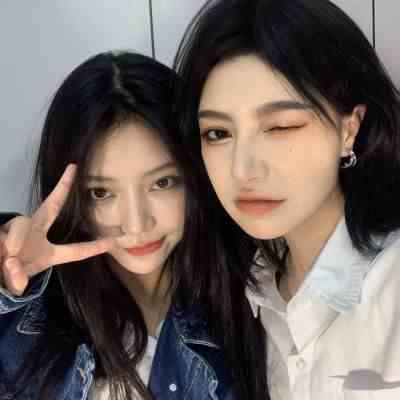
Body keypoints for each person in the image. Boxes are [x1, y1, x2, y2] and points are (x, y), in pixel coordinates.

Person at [0, 51, 267, 399]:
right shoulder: (27, 321)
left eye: (162, 183)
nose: (137, 225)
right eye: (101, 193)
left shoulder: (252, 296)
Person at [172, 0, 400, 398]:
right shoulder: (239, 289)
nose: (243, 170)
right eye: (218, 134)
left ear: (349, 129)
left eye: (280, 126)